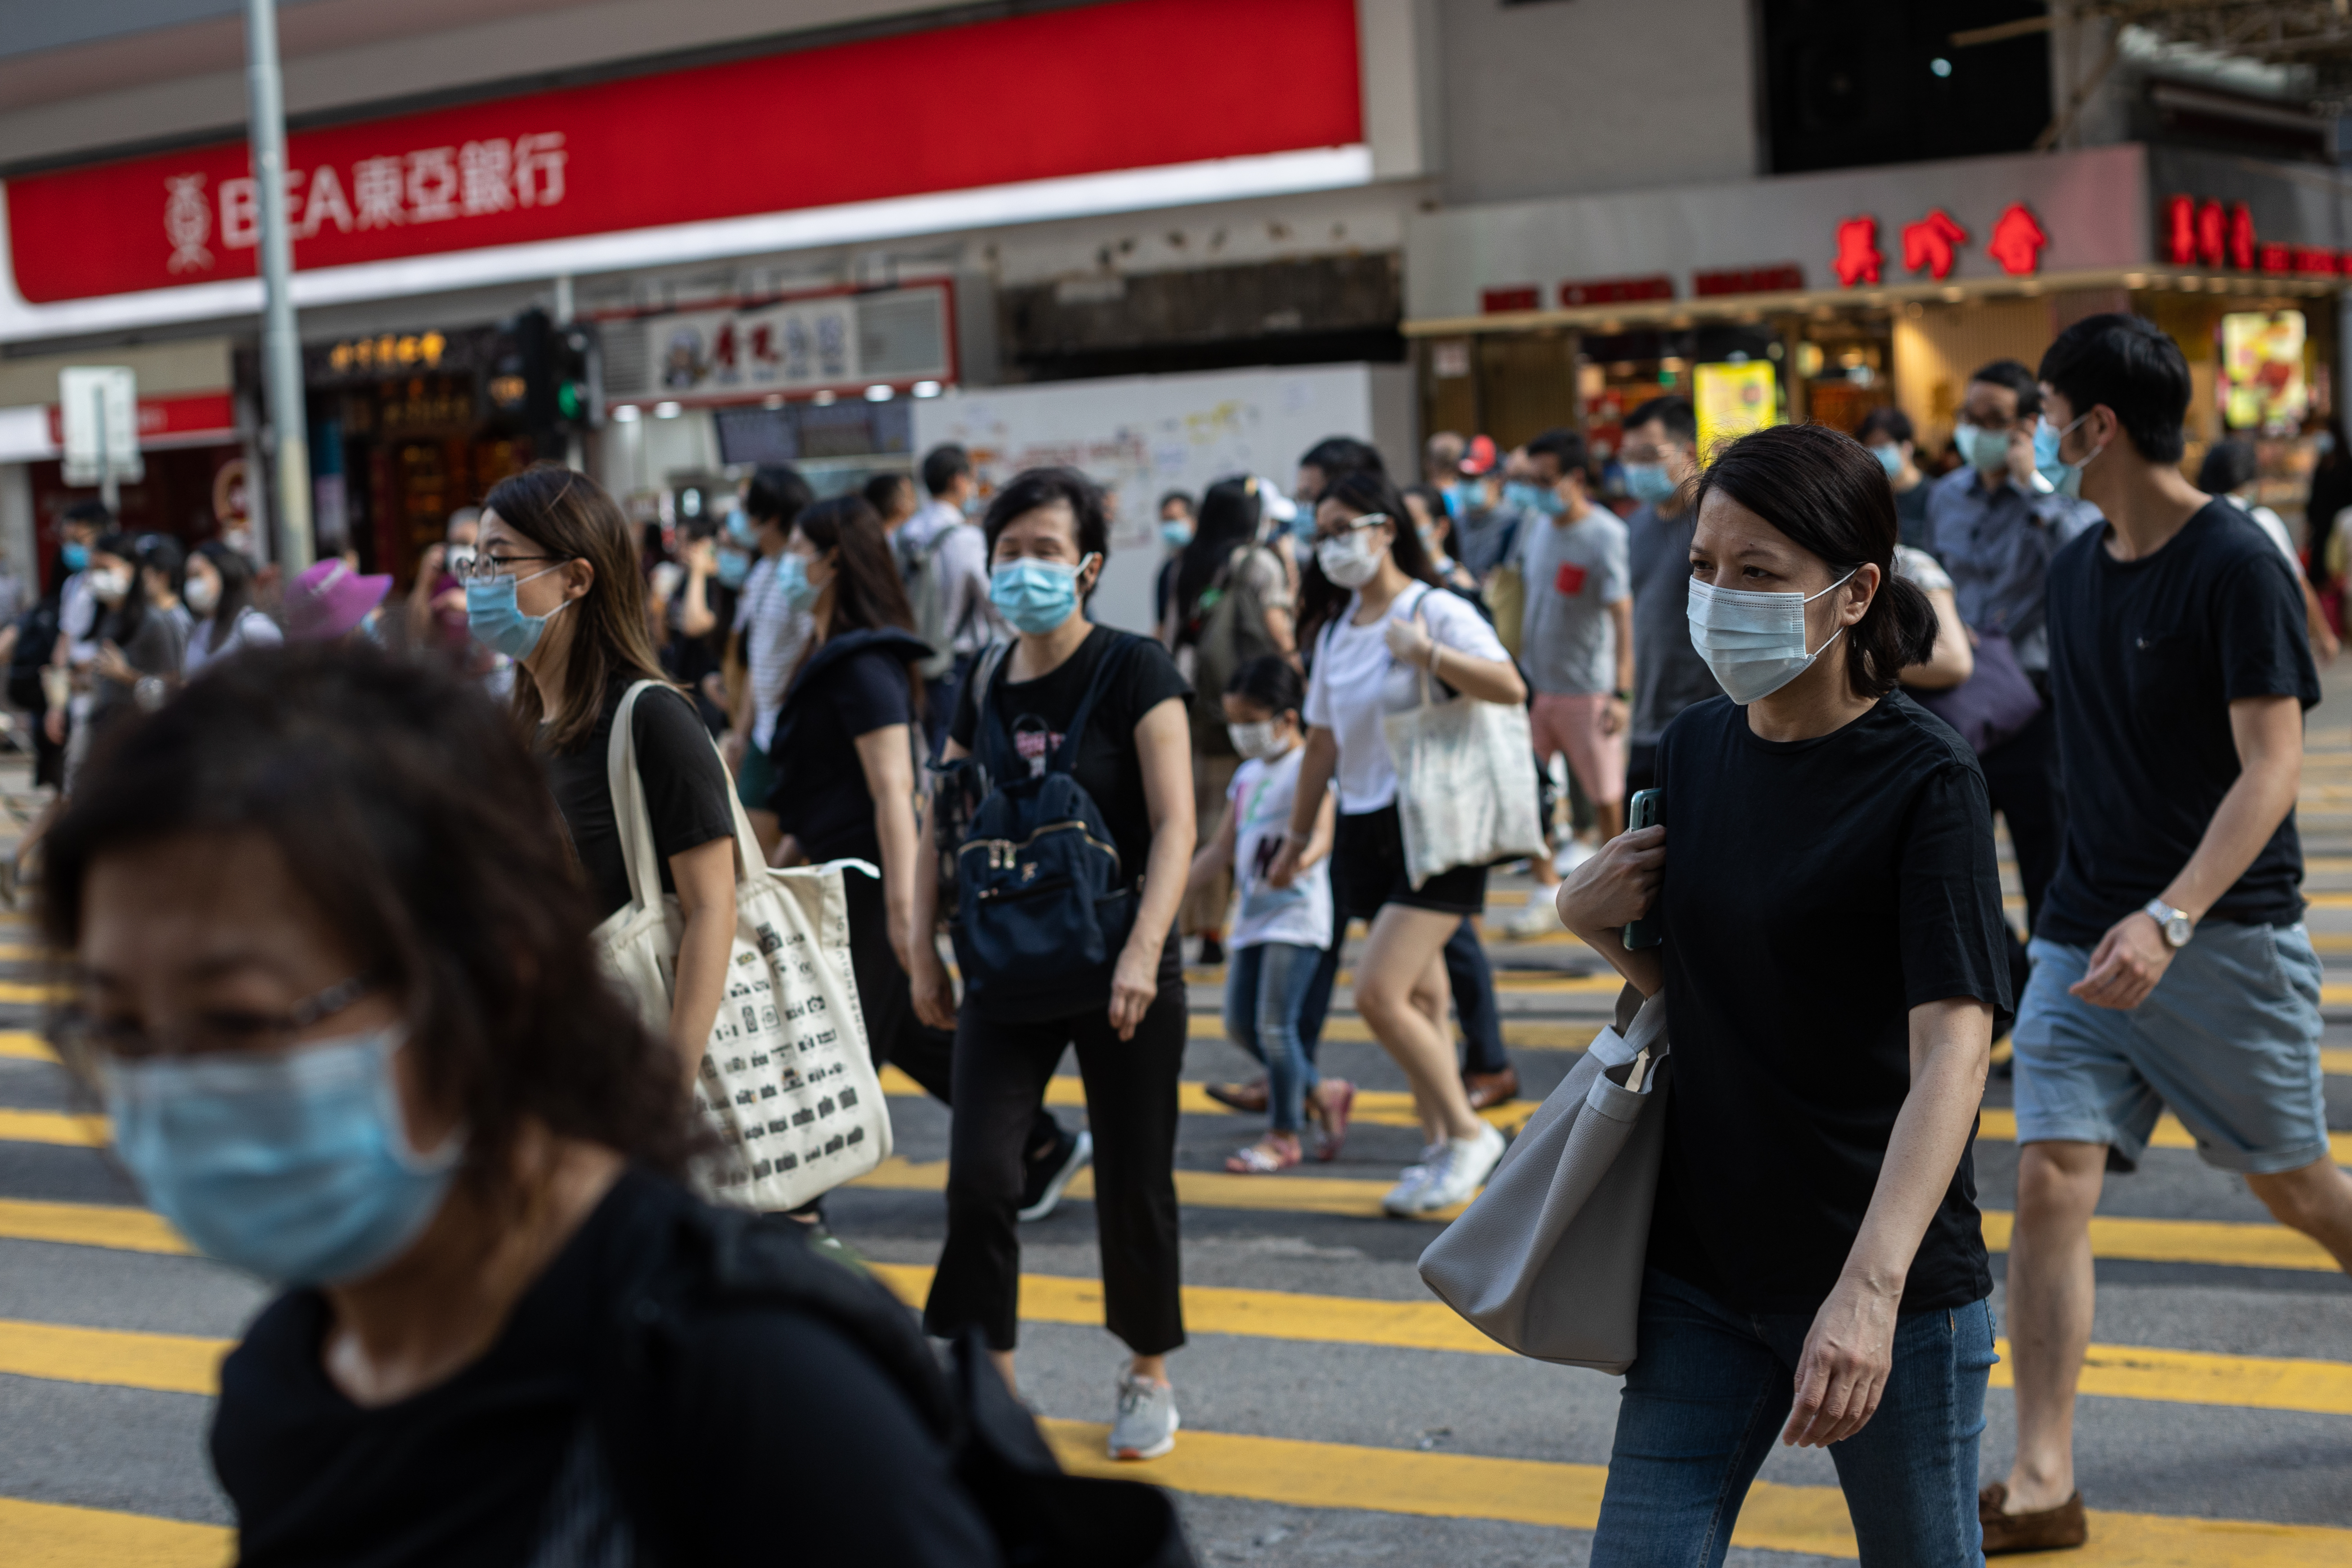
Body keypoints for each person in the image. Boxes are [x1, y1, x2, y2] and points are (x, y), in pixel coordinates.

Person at [45, 645, 1000, 1565]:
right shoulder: (284, 1382)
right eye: (122, 1031)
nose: (174, 1083)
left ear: (489, 981)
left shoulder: (752, 1374)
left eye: (240, 1018)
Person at [1556, 422, 2008, 1564]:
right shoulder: (1693, 748)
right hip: (1700, 1268)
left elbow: (1952, 1055)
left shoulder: (1926, 780)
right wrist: (1583, 917)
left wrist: (1865, 1293)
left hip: (1883, 1283)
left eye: (1757, 574)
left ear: (1853, 592)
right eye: (1705, 566)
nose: (1716, 597)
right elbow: (1701, 992)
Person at [1986, 315, 2352, 1555]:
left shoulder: (2236, 561)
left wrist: (2171, 914)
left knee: (2294, 1187)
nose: (2032, 432)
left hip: (2220, 938)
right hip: (2083, 935)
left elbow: (2270, 766)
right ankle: (2042, 1474)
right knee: (2047, 1178)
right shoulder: (2078, 565)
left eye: (2043, 409)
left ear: (2095, 426)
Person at [907, 466, 1196, 1460]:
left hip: (1121, 970)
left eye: (1043, 549)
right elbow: (935, 822)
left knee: (1133, 1178)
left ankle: (1148, 1372)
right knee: (982, 1177)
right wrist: (919, 950)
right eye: (1008, 550)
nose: (1023, 567)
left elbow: (1174, 822)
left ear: (1088, 565)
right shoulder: (981, 679)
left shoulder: (1135, 667)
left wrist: (1145, 954)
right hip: (1002, 968)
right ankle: (991, 1385)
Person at [1271, 467, 1525, 1216]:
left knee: (1378, 993)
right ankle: (1441, 1147)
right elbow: (1320, 744)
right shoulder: (1334, 632)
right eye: (1319, 536)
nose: (1330, 548)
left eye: (1342, 530)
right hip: (1365, 824)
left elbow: (1510, 686)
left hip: (1438, 824)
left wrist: (1428, 656)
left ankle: (1470, 1133)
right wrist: (1295, 836)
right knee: (1422, 996)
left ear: (1384, 530)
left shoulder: (1432, 609)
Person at [464, 465, 737, 1086]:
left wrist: (673, 1077)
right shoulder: (521, 724)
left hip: (638, 1065)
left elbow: (712, 907)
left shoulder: (651, 718)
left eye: (498, 562)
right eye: (474, 563)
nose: (479, 583)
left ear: (576, 578)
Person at [1927, 359, 2103, 957]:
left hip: (2034, 709)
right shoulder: (1945, 496)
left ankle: (2055, 1002)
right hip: (1957, 704)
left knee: (2045, 863)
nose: (1975, 430)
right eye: (1968, 417)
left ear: (2028, 426)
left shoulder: (2062, 497)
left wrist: (2036, 488)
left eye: (1992, 420)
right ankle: (2010, 990)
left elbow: (2089, 556)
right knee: (1953, 869)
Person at [1184, 655, 1350, 1173]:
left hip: (1296, 916)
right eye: (1234, 721)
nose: (1242, 733)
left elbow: (1323, 832)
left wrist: (1301, 857)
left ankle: (1283, 1135)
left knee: (1276, 1027)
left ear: (1287, 718)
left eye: (1251, 721)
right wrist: (1164, 892)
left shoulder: (1309, 768)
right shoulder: (1248, 774)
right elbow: (1219, 851)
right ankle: (1323, 1090)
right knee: (1238, 1023)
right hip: (1252, 916)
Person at [1167, 476, 1295, 966]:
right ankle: (1226, 923)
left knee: (1200, 820)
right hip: (1250, 704)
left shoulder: (1187, 563)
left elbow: (1172, 631)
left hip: (1198, 705)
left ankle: (1200, 926)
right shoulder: (1257, 562)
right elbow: (1276, 627)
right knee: (1237, 819)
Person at [1518, 425, 1633, 853]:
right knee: (1527, 790)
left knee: (1606, 795)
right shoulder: (1536, 524)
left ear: (1576, 480)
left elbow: (1623, 615)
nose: (1536, 492)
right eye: (1530, 481)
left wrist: (1621, 692)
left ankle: (1618, 874)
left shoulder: (1606, 534)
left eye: (1544, 481)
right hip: (1535, 685)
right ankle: (1545, 879)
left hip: (1587, 689)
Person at [1620, 396, 1718, 799]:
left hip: (1707, 716)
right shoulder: (1633, 525)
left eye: (1648, 454)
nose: (1636, 467)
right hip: (1645, 718)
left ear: (1687, 451)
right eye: (1628, 456)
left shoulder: (1713, 520)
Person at [727, 463, 816, 854]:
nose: (741, 520)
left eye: (748, 509)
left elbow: (813, 646)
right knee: (756, 850)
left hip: (798, 732)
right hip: (764, 732)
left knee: (792, 851)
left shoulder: (801, 577)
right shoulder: (760, 572)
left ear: (772, 517)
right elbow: (755, 662)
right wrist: (742, 733)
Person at [899, 443, 1001, 758]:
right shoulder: (966, 538)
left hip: (914, 659)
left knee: (931, 748)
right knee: (962, 750)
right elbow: (993, 604)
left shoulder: (906, 533)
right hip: (957, 663)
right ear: (959, 480)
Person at [2197, 437, 2340, 662]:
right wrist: (2324, 635)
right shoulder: (2263, 521)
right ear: (2250, 480)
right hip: (2260, 647)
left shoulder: (2193, 525)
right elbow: (2298, 582)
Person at [85, 532, 188, 734]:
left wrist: (126, 675)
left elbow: (176, 685)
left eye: (105, 569)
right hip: (109, 725)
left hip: (147, 730)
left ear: (131, 569)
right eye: (93, 569)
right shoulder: (105, 618)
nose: (97, 577)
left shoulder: (155, 621)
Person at [183, 542, 283, 675]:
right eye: (188, 577)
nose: (192, 585)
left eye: (198, 575)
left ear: (224, 573)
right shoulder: (202, 630)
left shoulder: (254, 628)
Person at [1858, 406, 1934, 550]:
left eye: (1882, 446)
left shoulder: (1936, 494)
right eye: (1870, 448)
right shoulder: (1869, 499)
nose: (1876, 454)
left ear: (1907, 446)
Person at [1403, 484, 1480, 596]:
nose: (1404, 530)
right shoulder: (1403, 579)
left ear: (1442, 528)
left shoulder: (1458, 584)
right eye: (1401, 521)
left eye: (1412, 522)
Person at [1152, 489, 1196, 634]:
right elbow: (1162, 623)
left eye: (1174, 520)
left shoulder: (1207, 566)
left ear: (1194, 521)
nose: (1168, 528)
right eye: (1164, 522)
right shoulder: (1168, 570)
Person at [864, 470, 919, 535]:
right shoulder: (883, 540)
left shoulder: (888, 536)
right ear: (899, 506)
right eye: (911, 497)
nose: (915, 503)